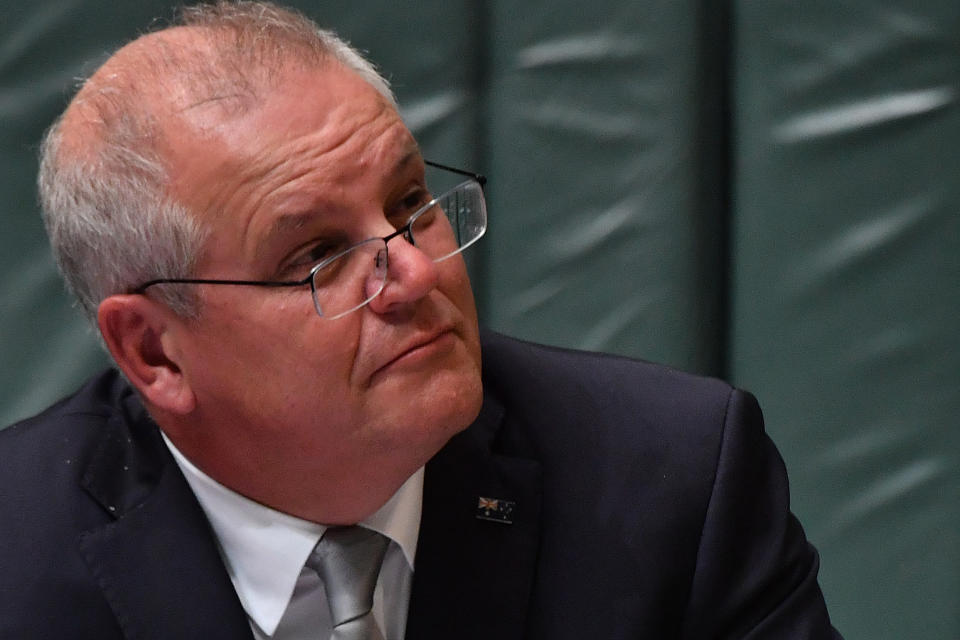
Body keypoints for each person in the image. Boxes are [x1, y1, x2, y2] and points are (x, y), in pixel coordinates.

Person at [0, 2, 841, 638]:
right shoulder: (17, 556)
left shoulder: (674, 485)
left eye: (410, 203)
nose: (411, 270)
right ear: (156, 353)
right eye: (317, 257)